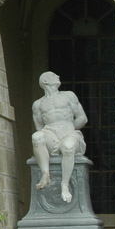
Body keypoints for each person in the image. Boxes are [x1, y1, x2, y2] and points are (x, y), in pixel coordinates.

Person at [31, 71, 87, 203]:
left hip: (69, 132)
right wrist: (51, 133)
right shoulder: (38, 104)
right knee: (37, 137)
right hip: (50, 133)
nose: (58, 76)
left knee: (68, 147)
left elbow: (82, 118)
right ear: (45, 81)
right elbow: (39, 127)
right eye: (53, 75)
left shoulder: (68, 96)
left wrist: (67, 128)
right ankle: (45, 174)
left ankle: (65, 185)